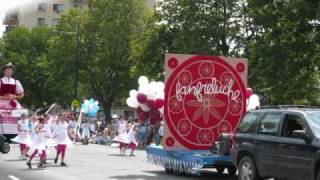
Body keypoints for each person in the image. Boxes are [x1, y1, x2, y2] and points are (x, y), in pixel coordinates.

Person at [0, 63, 24, 135]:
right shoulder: (0, 81)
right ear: (4, 71)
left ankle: (18, 132)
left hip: (12, 102)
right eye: (8, 70)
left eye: (11, 70)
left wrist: (15, 97)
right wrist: (6, 97)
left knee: (21, 112)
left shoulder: (15, 81)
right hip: (2, 101)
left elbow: (22, 94)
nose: (9, 72)